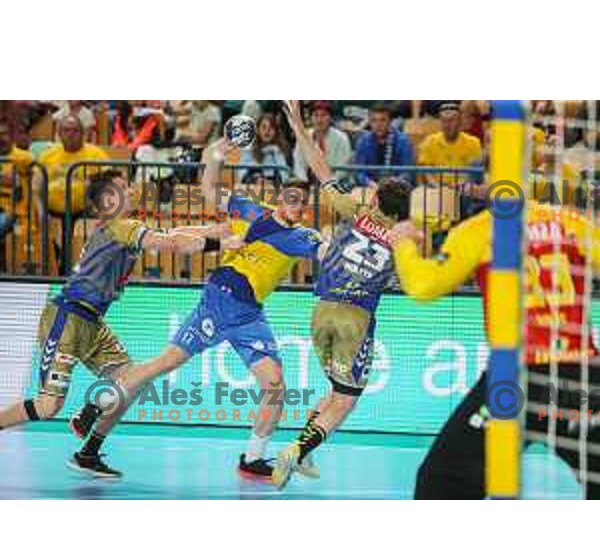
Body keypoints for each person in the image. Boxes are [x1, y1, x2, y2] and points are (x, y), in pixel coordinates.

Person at [68, 136, 323, 481]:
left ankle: (252, 459)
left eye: (302, 203)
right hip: (219, 300)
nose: (296, 206)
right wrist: (218, 153)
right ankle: (96, 404)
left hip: (250, 314)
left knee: (275, 384)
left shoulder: (302, 237)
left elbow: (326, 251)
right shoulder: (250, 211)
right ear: (279, 200)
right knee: (164, 364)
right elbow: (208, 186)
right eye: (291, 199)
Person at [0, 169, 234, 477]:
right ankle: (88, 409)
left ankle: (89, 450)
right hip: (67, 318)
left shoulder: (122, 227)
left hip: (93, 323)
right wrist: (224, 243)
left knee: (133, 381)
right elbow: (173, 244)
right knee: (48, 407)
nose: (133, 190)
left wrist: (226, 229)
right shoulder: (122, 226)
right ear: (109, 200)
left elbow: (179, 232)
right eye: (124, 187)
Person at [389, 202, 600, 499]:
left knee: (443, 482)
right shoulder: (572, 222)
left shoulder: (480, 229)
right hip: (580, 376)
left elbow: (424, 285)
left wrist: (404, 244)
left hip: (516, 379)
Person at [271, 101, 413, 489]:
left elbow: (320, 169)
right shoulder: (403, 241)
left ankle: (305, 451)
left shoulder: (355, 211)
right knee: (346, 400)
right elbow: (414, 283)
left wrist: (299, 128)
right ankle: (295, 452)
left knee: (334, 391)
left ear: (377, 202)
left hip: (320, 311)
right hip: (355, 319)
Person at [418, 102, 482, 185]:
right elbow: (426, 172)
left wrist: (459, 186)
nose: (447, 125)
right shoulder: (429, 142)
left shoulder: (473, 142)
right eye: (444, 121)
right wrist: (437, 186)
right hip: (436, 188)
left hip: (463, 189)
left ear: (459, 121)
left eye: (451, 120)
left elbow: (473, 173)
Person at [353, 103, 415, 186]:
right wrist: (369, 183)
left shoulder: (403, 141)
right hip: (370, 187)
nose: (378, 125)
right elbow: (359, 172)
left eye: (383, 120)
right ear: (369, 123)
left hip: (397, 189)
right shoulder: (363, 140)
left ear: (390, 122)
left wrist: (393, 183)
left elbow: (407, 172)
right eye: (374, 120)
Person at [293, 101, 352, 183]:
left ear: (330, 118)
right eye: (316, 115)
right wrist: (304, 182)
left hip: (336, 184)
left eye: (323, 115)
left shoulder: (342, 138)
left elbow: (343, 169)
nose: (319, 120)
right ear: (311, 118)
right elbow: (299, 164)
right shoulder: (303, 137)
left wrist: (328, 184)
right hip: (310, 184)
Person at [238, 113, 290, 184]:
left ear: (276, 131)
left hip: (273, 187)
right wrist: (255, 179)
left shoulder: (279, 149)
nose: (267, 131)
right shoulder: (248, 149)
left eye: (271, 128)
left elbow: (284, 175)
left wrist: (271, 182)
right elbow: (242, 173)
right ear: (258, 130)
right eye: (264, 127)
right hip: (252, 187)